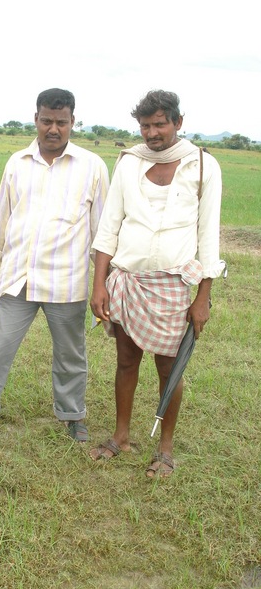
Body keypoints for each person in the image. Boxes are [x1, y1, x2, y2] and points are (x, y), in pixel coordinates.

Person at [0, 88, 110, 448]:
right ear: (36, 119)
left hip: (67, 281)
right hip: (18, 276)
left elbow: (103, 231)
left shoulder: (92, 167)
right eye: (47, 121)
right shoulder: (17, 162)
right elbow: (0, 218)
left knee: (70, 354)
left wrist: (104, 283)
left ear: (72, 122)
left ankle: (73, 417)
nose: (54, 129)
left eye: (62, 122)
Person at [89, 90, 225, 476]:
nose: (152, 133)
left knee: (170, 368)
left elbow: (208, 236)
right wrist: (100, 285)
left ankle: (165, 450)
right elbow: (109, 227)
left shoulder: (201, 165)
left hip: (173, 286)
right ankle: (121, 437)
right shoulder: (129, 163)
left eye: (160, 124)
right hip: (128, 280)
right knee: (126, 361)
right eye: (145, 126)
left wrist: (203, 299)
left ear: (178, 123)